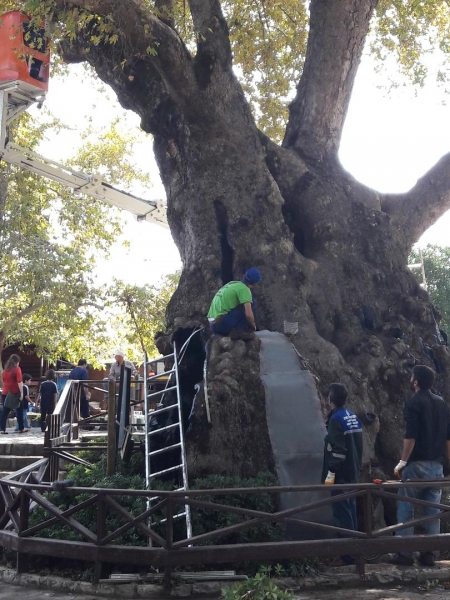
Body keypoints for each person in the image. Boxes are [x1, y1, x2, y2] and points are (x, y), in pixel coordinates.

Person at [389, 365, 450, 567]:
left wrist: (403, 462)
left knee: (406, 507)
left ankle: (405, 553)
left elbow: (411, 436)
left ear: (415, 381)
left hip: (417, 465)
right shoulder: (442, 403)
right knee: (433, 511)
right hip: (437, 467)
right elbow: (448, 438)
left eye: (411, 377)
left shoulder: (414, 402)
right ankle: (429, 553)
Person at [322, 383, 363, 567]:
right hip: (353, 473)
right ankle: (354, 551)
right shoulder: (353, 416)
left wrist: (330, 474)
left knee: (342, 514)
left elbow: (338, 451)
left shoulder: (336, 420)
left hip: (340, 475)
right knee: (351, 512)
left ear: (330, 399)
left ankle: (347, 556)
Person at [207, 268, 262, 339]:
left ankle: (236, 329)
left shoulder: (233, 284)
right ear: (255, 283)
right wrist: (253, 326)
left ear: (244, 276)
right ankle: (238, 331)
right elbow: (248, 314)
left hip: (212, 325)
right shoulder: (244, 289)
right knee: (252, 302)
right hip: (220, 326)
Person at [0, 354, 27, 434]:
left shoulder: (5, 371)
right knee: (19, 410)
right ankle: (20, 428)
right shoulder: (17, 369)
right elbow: (19, 382)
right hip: (14, 393)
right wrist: (22, 393)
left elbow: (4, 381)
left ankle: (2, 429)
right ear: (17, 362)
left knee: (5, 411)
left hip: (5, 392)